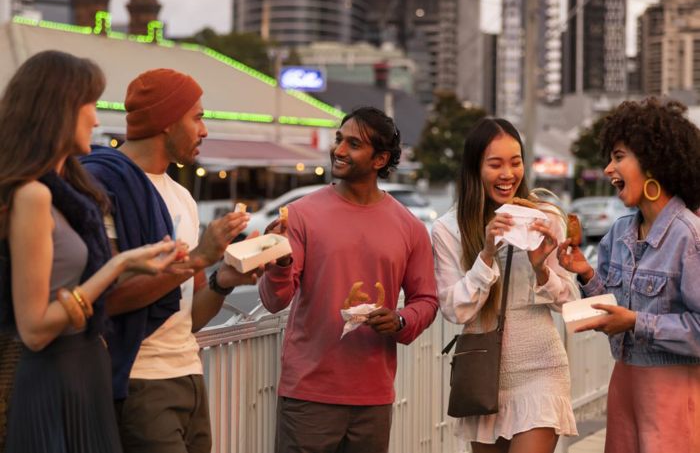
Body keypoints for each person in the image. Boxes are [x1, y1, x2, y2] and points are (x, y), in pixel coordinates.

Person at [0, 50, 184, 453]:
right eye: (91, 104)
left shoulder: (68, 193)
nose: (97, 119)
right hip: (55, 378)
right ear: (59, 109)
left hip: (85, 371)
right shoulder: (33, 196)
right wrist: (116, 265)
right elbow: (33, 330)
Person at [81, 68, 259, 453]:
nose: (205, 129)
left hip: (189, 375)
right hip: (138, 380)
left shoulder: (183, 198)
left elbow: (188, 316)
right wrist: (199, 257)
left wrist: (223, 278)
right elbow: (108, 299)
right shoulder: (102, 185)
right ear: (165, 121)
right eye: (197, 116)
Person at [259, 106, 439, 453]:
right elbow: (274, 300)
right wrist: (279, 264)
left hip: (373, 397)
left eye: (353, 144)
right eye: (339, 139)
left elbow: (427, 300)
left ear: (379, 159)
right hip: (308, 394)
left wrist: (400, 319)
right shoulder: (299, 215)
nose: (339, 150)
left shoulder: (410, 228)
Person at [557, 97, 700, 453]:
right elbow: (613, 305)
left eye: (619, 156)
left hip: (673, 390)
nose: (608, 168)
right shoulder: (618, 233)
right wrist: (586, 273)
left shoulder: (690, 237)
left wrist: (636, 322)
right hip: (624, 383)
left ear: (653, 162)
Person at [432, 117, 578, 453]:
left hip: (542, 369)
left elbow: (569, 299)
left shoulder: (544, 218)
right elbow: (455, 309)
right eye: (495, 164)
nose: (508, 174)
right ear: (474, 168)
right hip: (484, 375)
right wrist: (485, 254)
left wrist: (542, 269)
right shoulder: (448, 229)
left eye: (515, 162)